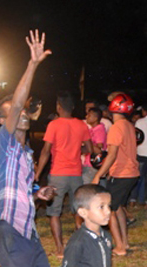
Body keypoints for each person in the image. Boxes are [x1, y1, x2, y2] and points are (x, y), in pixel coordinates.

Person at [0, 30, 73, 267]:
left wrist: (37, 193)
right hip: (9, 231)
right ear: (3, 120)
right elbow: (17, 101)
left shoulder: (24, 154)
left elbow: (19, 190)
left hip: (28, 232)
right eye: (15, 110)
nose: (23, 112)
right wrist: (32, 64)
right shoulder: (3, 144)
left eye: (25, 110)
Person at [36, 92, 94, 257]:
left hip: (58, 174)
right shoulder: (81, 125)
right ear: (73, 107)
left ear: (58, 107)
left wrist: (38, 172)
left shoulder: (53, 125)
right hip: (76, 174)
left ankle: (60, 248)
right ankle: (82, 243)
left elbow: (46, 151)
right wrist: (76, 151)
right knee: (78, 210)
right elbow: (89, 149)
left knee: (54, 212)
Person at [91, 91, 139, 256]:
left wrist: (99, 175)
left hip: (122, 173)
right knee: (118, 208)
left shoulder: (116, 127)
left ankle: (119, 246)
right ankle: (124, 242)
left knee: (109, 209)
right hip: (131, 172)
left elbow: (112, 155)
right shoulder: (129, 125)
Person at [82, 107, 107, 184]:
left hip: (92, 164)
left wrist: (86, 142)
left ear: (96, 118)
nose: (86, 117)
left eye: (89, 115)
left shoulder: (99, 130)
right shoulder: (93, 129)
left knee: (86, 186)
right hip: (89, 163)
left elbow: (99, 149)